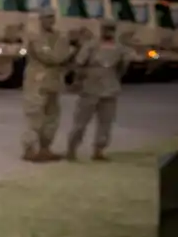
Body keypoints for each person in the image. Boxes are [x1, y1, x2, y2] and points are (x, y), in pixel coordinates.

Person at [65, 21, 129, 161]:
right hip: (90, 87)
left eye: (111, 29)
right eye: (106, 29)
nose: (108, 32)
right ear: (101, 29)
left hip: (109, 88)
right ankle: (72, 149)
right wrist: (79, 80)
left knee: (106, 122)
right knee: (81, 122)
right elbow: (79, 64)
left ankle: (99, 150)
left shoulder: (119, 47)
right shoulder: (91, 45)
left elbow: (123, 67)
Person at [20, 10, 75, 162]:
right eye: (47, 17)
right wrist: (66, 53)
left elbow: (63, 55)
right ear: (40, 19)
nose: (50, 20)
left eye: (52, 17)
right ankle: (29, 149)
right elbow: (51, 57)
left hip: (54, 81)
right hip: (37, 82)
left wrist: (65, 54)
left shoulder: (59, 37)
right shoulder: (35, 37)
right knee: (35, 116)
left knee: (52, 117)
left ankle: (45, 148)